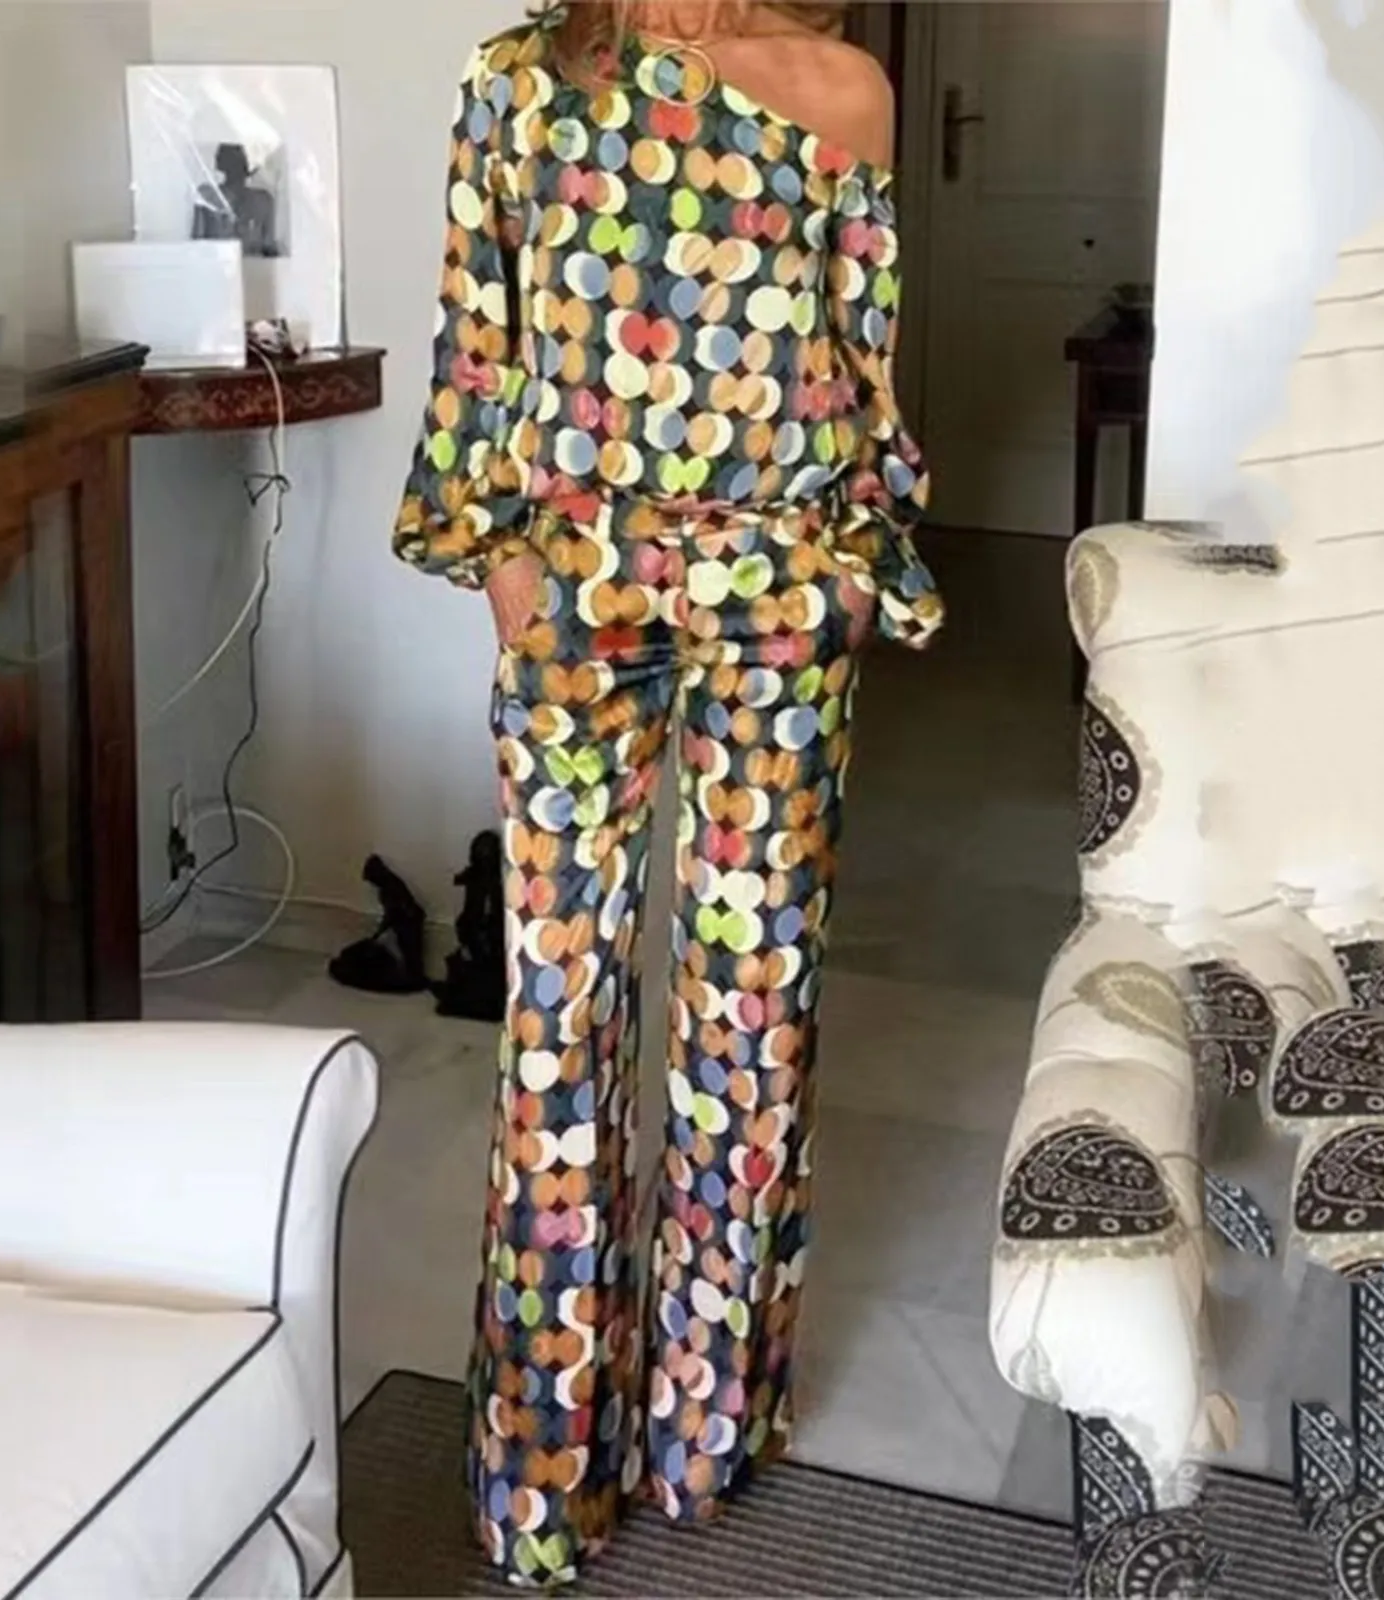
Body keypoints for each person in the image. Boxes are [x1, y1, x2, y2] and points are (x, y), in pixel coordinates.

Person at [393, 0, 943, 1584]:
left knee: (751, 1019)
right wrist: (502, 566)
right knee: (556, 1018)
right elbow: (478, 345)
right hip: (575, 589)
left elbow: (865, 366)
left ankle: (709, 1431)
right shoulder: (520, 81)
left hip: (782, 597)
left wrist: (855, 570)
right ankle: (544, 1466)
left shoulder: (845, 93)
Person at [191, 142, 280, 258]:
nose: (236, 166)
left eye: (240, 160)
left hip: (252, 267)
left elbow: (269, 247)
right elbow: (197, 246)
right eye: (232, 159)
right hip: (217, 265)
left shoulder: (263, 200)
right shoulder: (207, 195)